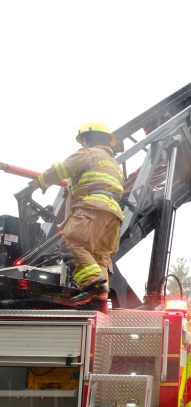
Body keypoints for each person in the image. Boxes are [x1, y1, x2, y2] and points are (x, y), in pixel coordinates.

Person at [30, 122, 124, 307]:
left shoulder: (89, 154)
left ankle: (94, 285)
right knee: (99, 258)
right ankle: (99, 301)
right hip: (114, 214)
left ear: (88, 140)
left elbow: (62, 169)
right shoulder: (114, 165)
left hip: (93, 207)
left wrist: (40, 182)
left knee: (71, 243)